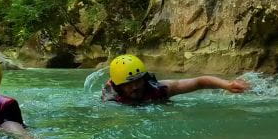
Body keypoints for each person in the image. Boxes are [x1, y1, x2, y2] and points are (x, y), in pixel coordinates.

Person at [101, 54, 250, 105]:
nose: (135, 87)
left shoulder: (160, 88)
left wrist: (228, 85)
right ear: (118, 86)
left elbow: (200, 82)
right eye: (129, 84)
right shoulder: (111, 102)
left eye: (138, 81)